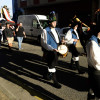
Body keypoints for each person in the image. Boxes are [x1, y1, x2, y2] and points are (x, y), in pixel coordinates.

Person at [41, 11, 61, 89]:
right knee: (52, 66)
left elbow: (57, 40)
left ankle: (47, 75)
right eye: (53, 22)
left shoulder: (56, 30)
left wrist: (61, 42)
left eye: (55, 21)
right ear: (50, 22)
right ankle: (55, 82)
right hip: (50, 52)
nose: (55, 23)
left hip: (56, 51)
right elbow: (44, 43)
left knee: (52, 65)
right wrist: (52, 49)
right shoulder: (45, 31)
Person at [86, 28, 100, 100]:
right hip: (96, 71)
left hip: (94, 70)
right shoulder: (93, 42)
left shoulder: (95, 41)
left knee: (92, 90)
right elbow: (96, 59)